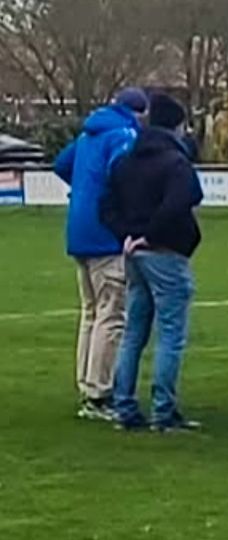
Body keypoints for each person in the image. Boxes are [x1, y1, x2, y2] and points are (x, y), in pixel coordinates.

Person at [101, 93, 203, 432]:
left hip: (134, 253)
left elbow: (106, 206)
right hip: (166, 252)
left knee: (134, 332)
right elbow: (183, 200)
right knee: (170, 334)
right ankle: (163, 411)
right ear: (177, 126)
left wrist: (126, 234)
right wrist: (150, 233)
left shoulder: (125, 161)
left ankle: (124, 406)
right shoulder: (175, 162)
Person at [53, 87, 148, 421]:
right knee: (111, 313)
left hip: (78, 229)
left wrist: (84, 187)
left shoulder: (88, 133)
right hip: (105, 233)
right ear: (139, 113)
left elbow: (61, 164)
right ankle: (100, 392)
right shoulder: (123, 135)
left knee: (91, 312)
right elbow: (122, 174)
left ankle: (86, 382)